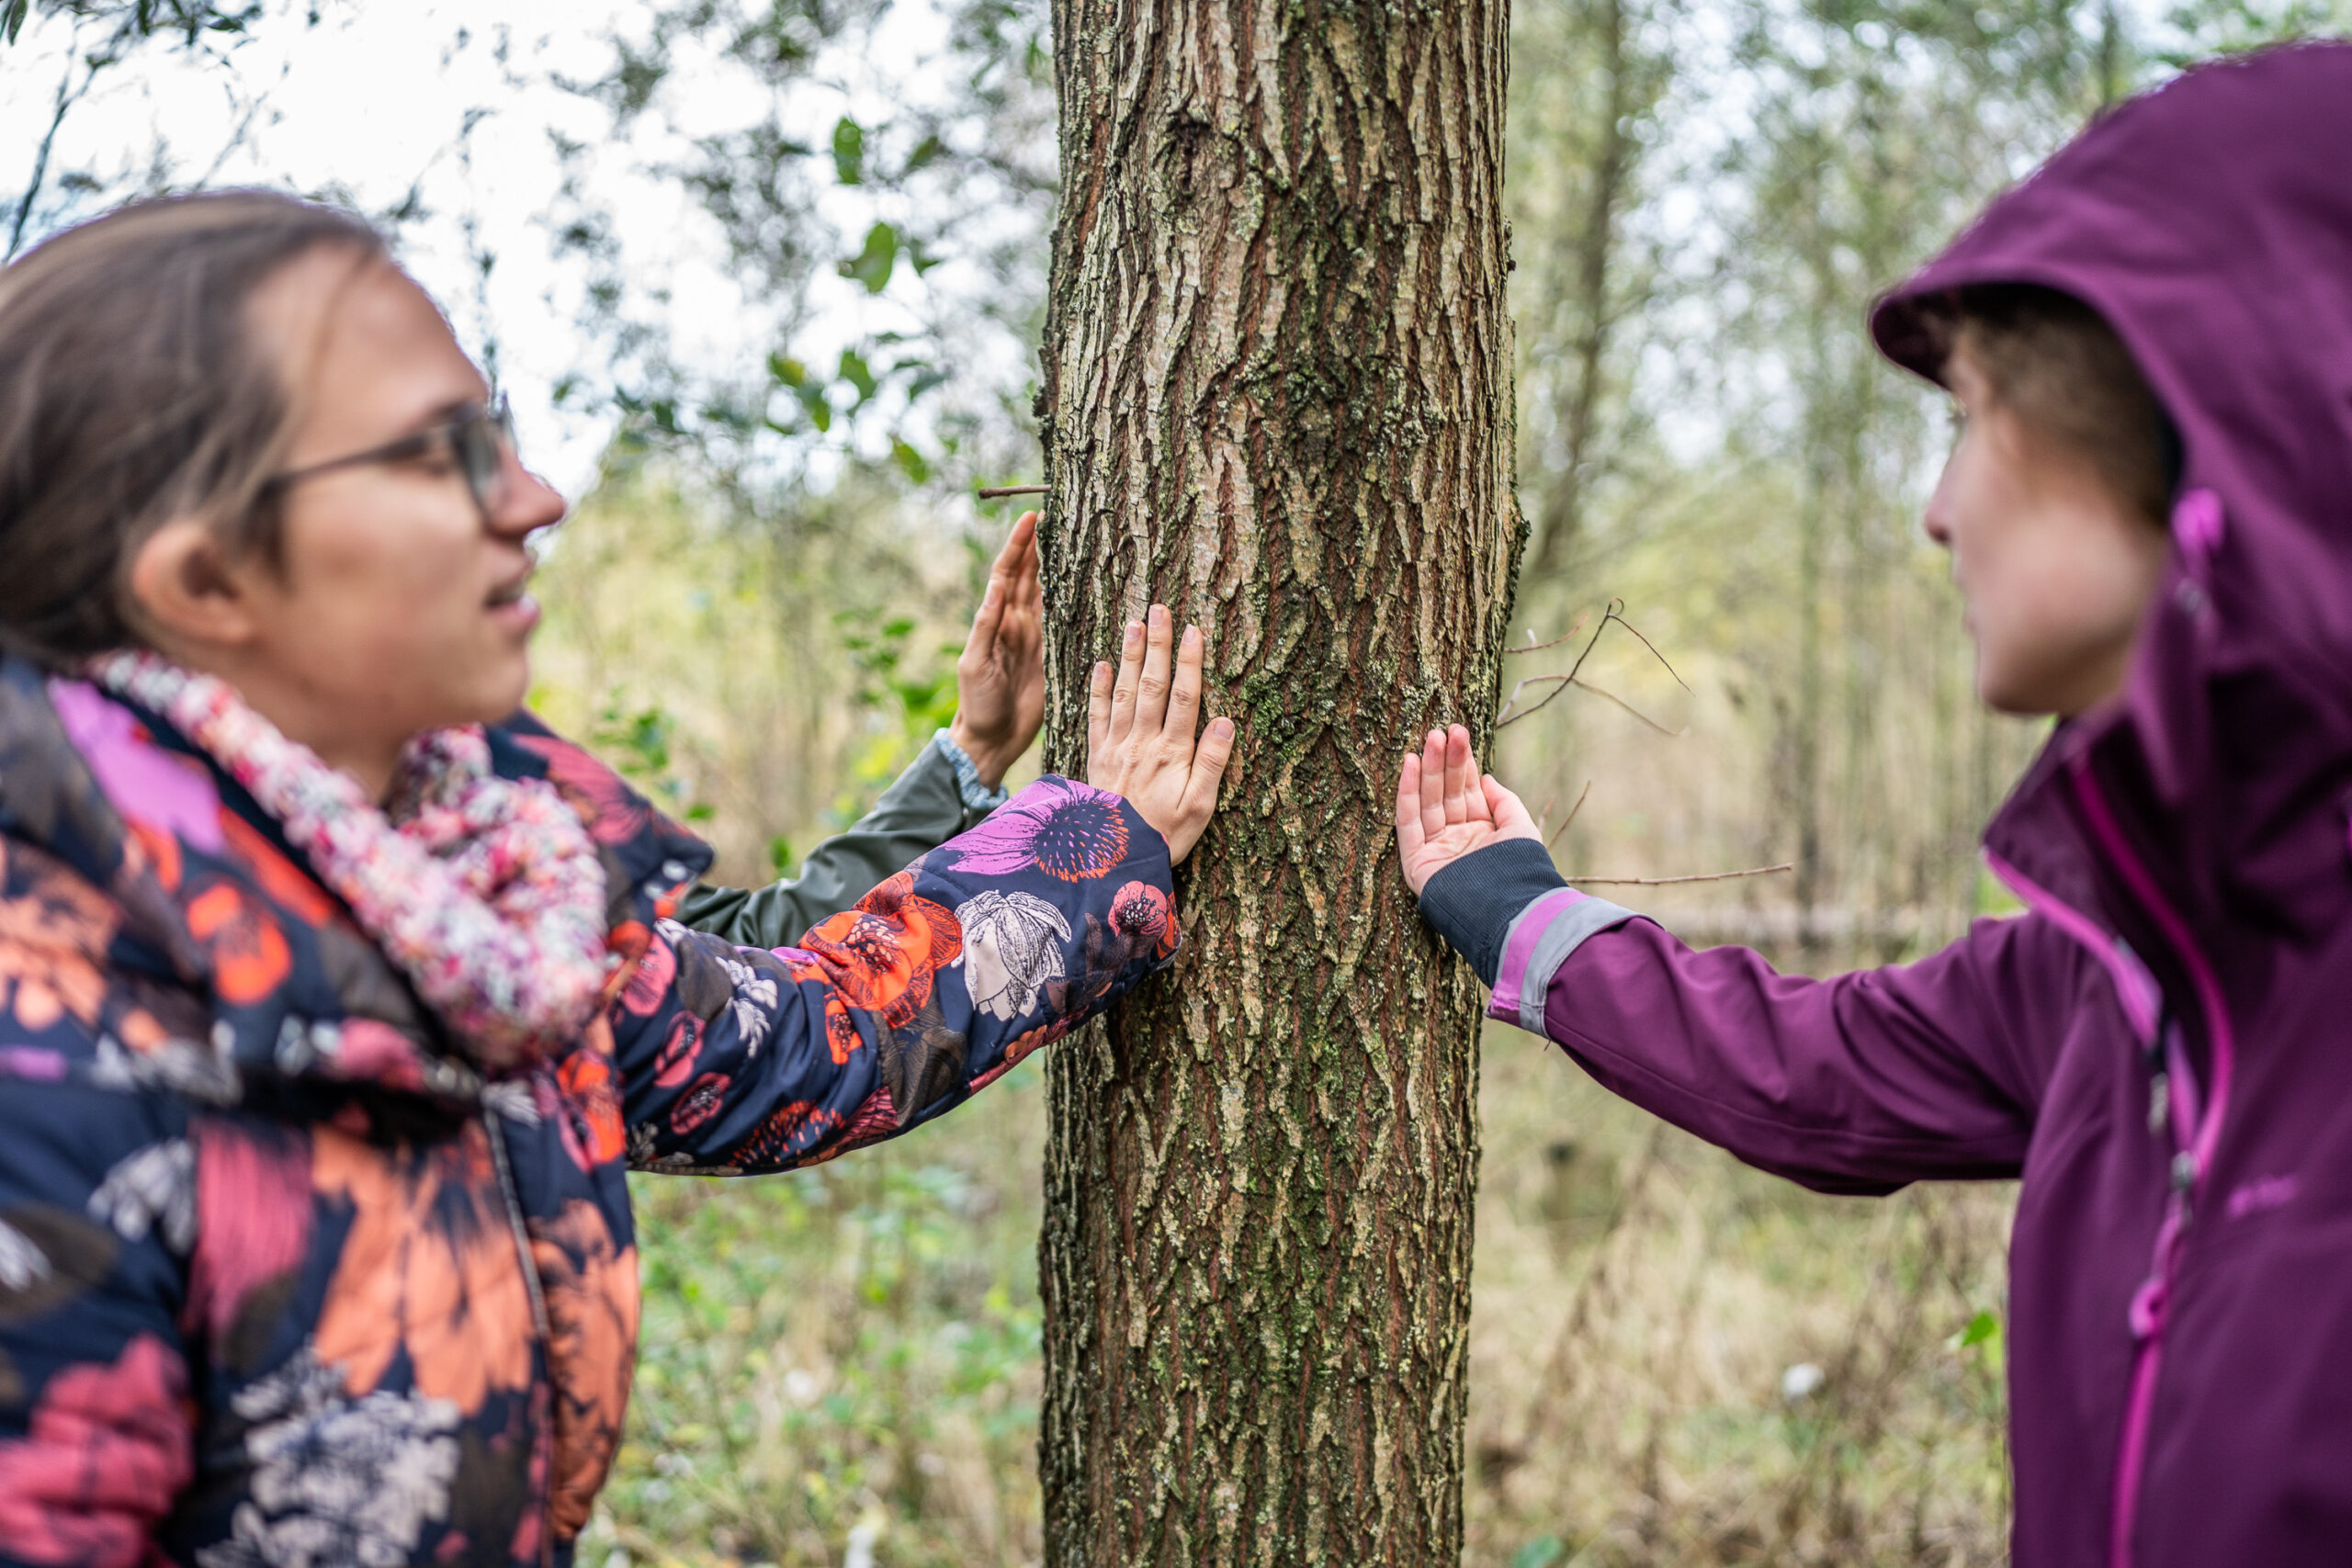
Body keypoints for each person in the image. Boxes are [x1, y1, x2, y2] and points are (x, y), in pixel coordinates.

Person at [0, 189, 1234, 1564]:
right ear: (207, 576)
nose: (535, 499)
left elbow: (807, 1039)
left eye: (504, 436)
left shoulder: (475, 891)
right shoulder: (42, 1069)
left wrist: (1080, 834)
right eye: (440, 454)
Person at [1396, 42, 2352, 1568]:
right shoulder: (2116, 966)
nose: (1935, 508)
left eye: (1968, 416)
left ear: (2209, 425)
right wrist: (1520, 912)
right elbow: (1820, 1069)